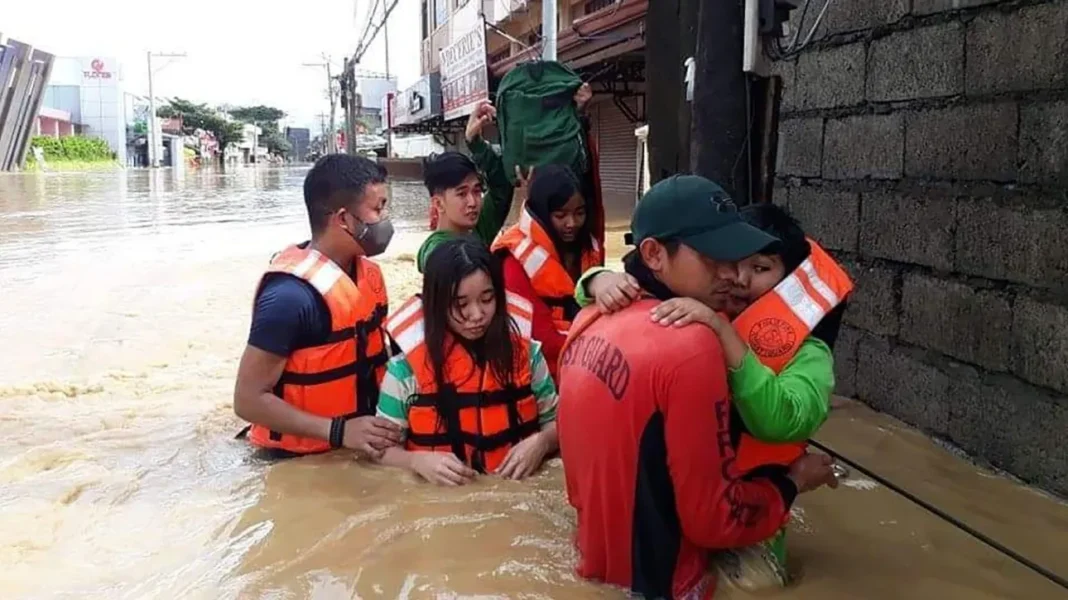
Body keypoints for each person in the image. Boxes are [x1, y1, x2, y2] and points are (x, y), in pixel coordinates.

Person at [556, 175, 839, 600]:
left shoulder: (589, 320)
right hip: (674, 579)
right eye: (716, 258)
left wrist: (595, 282)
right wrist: (792, 483)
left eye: (754, 266)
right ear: (653, 253)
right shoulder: (694, 341)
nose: (735, 276)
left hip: (595, 562)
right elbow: (713, 519)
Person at [233, 154, 404, 459]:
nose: (385, 219)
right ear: (342, 219)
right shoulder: (290, 297)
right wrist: (340, 431)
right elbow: (247, 400)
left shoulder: (368, 275)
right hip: (293, 460)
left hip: (361, 444)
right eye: (378, 209)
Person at [375, 237, 560, 485]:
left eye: (487, 299)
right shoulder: (403, 372)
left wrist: (543, 442)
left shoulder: (529, 355)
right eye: (460, 304)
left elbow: (562, 424)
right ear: (437, 305)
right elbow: (379, 452)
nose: (477, 315)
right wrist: (416, 461)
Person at [490, 164, 604, 380]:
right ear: (542, 212)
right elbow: (539, 337)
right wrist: (601, 352)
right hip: (541, 375)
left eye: (579, 213)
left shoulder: (588, 247)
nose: (572, 223)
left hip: (585, 361)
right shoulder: (513, 260)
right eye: (560, 215)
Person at [416, 101, 528, 273]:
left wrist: (475, 142)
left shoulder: (478, 228)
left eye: (477, 191)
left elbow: (502, 185)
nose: (473, 202)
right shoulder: (435, 250)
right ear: (438, 204)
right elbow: (439, 260)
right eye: (462, 194)